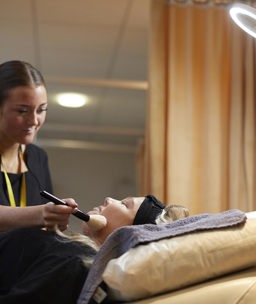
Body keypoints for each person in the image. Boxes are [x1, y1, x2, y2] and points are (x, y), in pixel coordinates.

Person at [0, 194, 189, 303]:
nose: (109, 199)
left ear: (131, 232)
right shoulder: (74, 254)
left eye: (124, 204)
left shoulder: (76, 262)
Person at [0, 60, 77, 232]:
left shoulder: (37, 157)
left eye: (41, 110)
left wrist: (54, 218)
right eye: (22, 111)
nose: (34, 121)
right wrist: (40, 214)